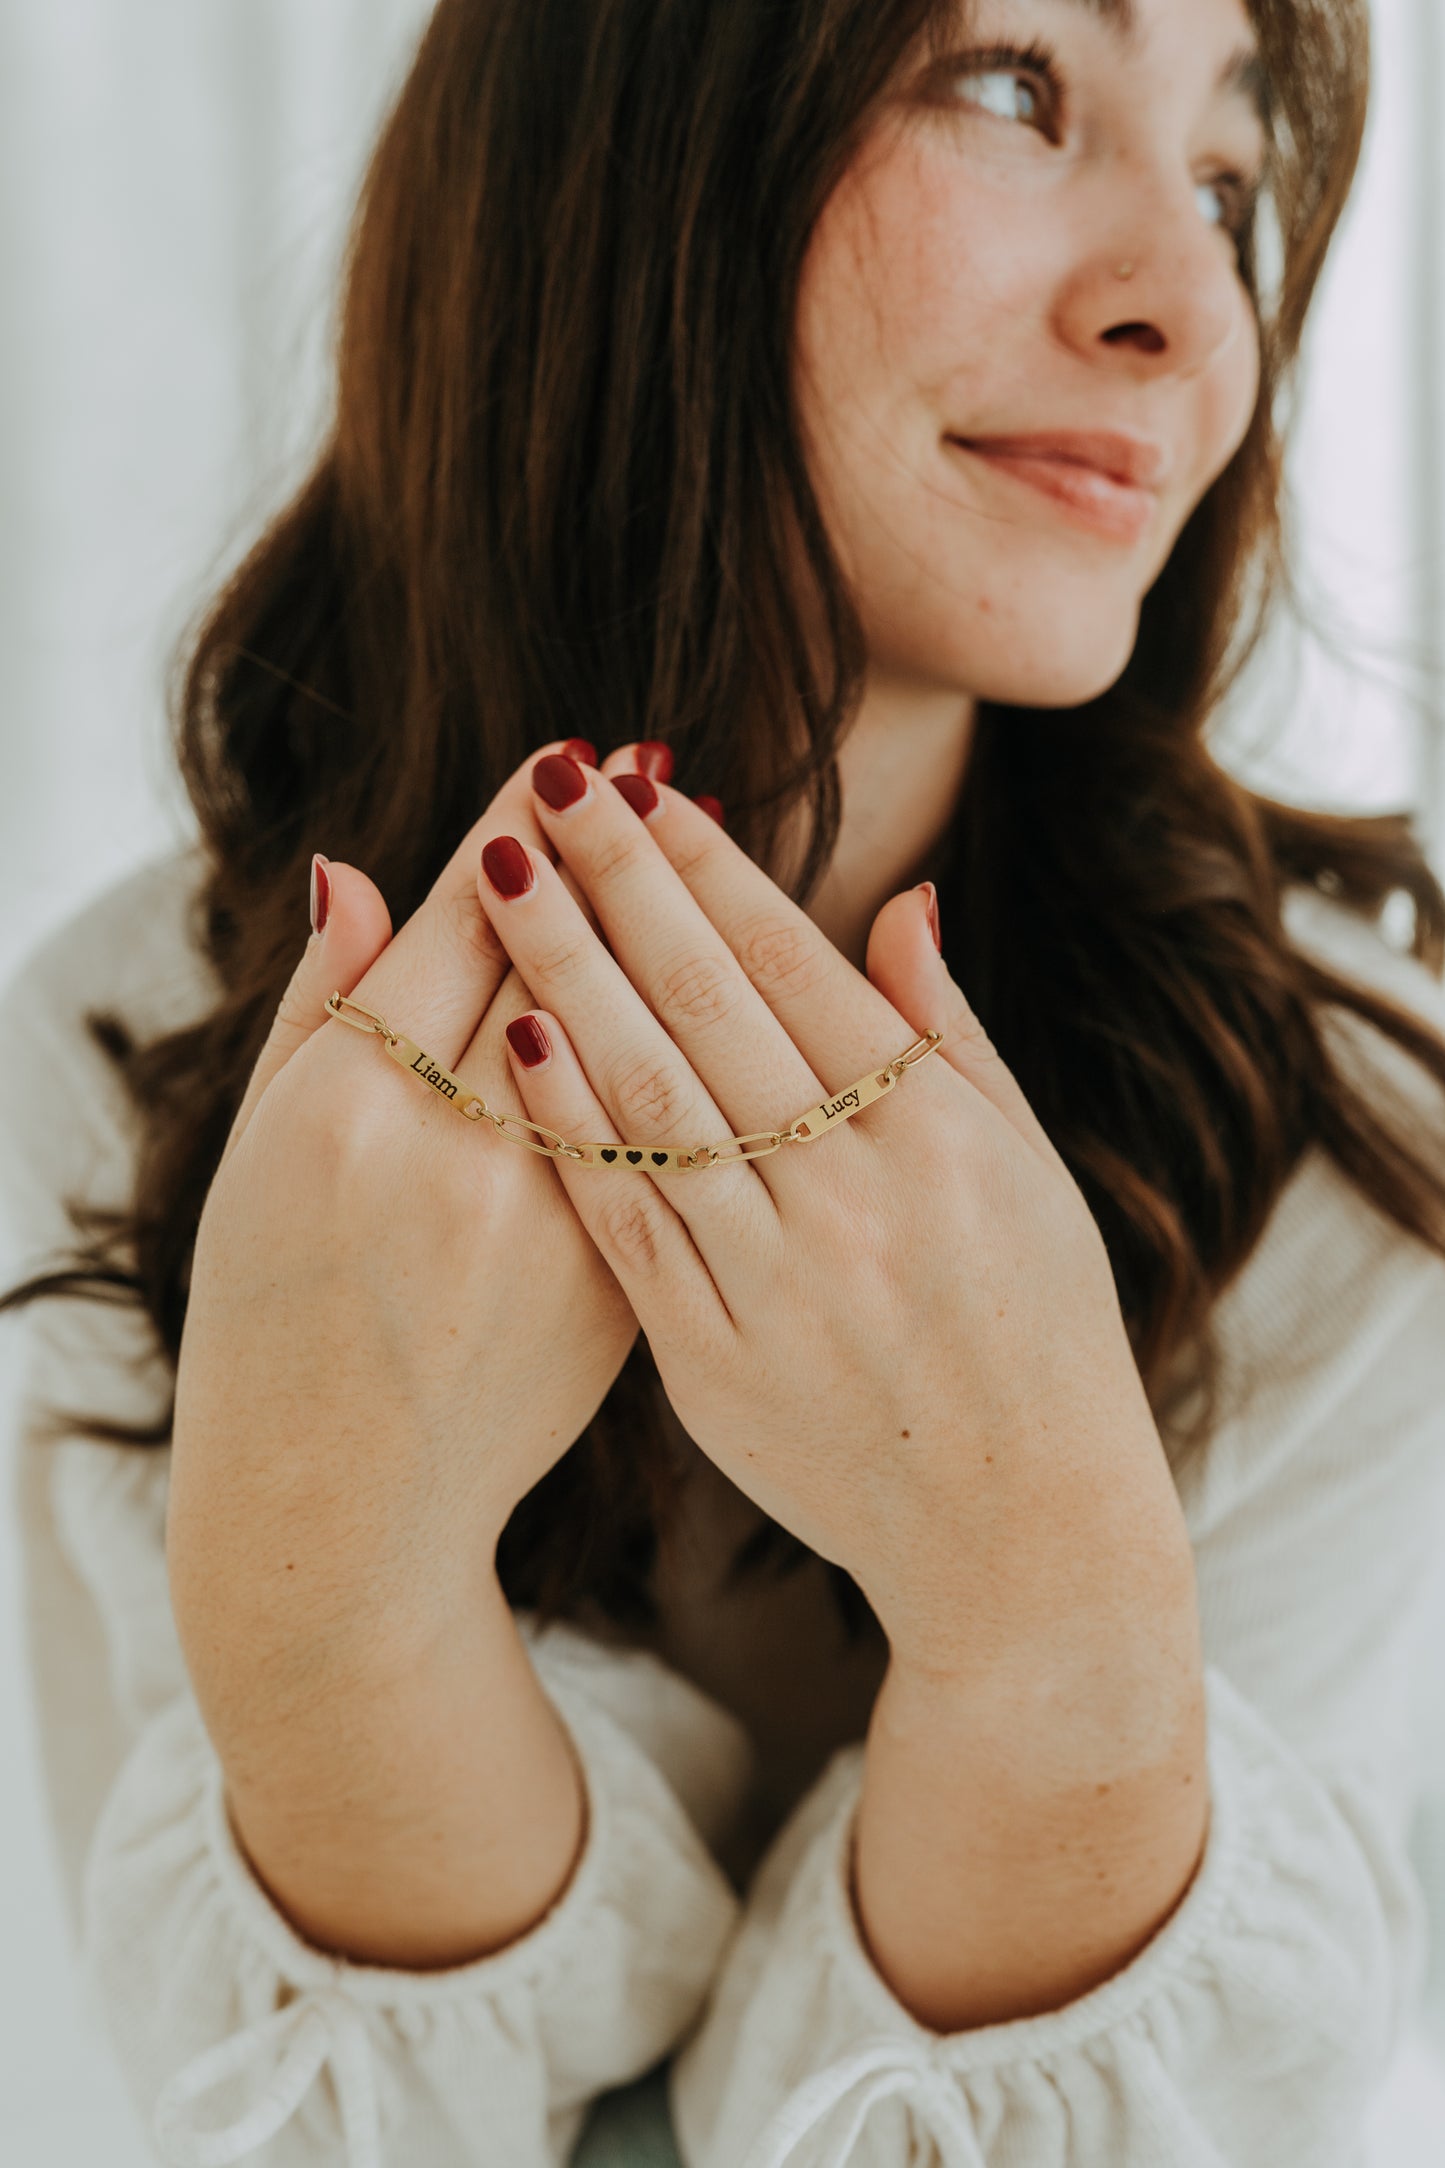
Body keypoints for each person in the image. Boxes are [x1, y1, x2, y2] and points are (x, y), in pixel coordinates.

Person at [4, 0, 1445, 2161]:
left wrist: (1053, 1631)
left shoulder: (1354, 1159)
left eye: (1235, 184)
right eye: (1015, 83)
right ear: (627, 128)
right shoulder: (136, 1048)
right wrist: (333, 1613)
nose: (1191, 310)